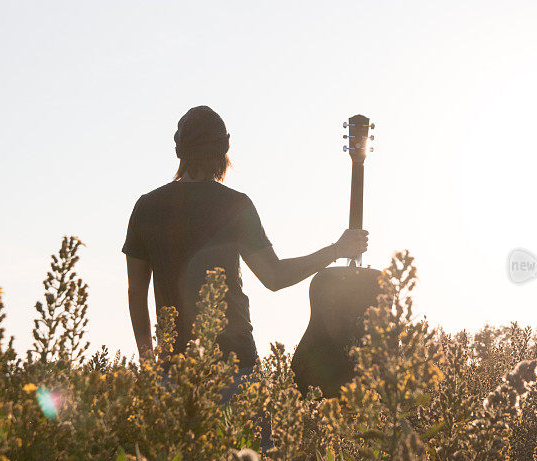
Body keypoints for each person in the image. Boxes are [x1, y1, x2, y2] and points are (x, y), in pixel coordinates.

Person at [122, 105, 368, 391]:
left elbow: (136, 292)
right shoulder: (234, 205)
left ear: (180, 151)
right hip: (235, 365)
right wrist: (335, 250)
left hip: (171, 371)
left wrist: (148, 362)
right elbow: (274, 277)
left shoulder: (146, 207)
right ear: (223, 150)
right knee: (251, 438)